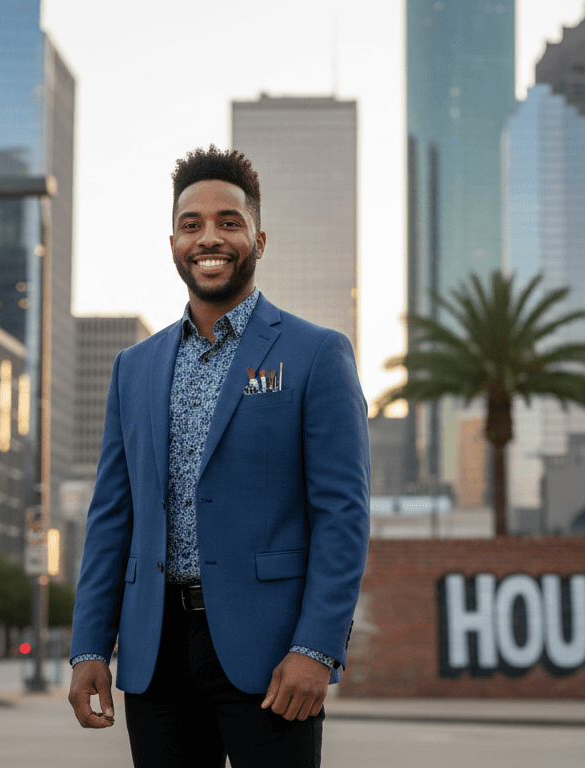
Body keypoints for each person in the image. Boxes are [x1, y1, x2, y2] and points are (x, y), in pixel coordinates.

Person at [67, 146, 370, 767]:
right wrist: (87, 646)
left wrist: (318, 647)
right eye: (192, 224)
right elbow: (110, 519)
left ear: (259, 238)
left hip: (272, 656)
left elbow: (342, 515)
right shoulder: (134, 368)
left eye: (229, 222)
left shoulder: (316, 355)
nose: (210, 237)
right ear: (174, 242)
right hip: (155, 655)